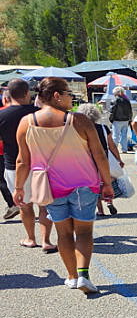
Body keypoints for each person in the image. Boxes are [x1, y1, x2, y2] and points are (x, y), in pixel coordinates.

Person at [13, 77, 114, 293]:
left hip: (51, 188)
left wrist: (19, 188)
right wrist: (107, 183)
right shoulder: (79, 121)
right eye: (68, 93)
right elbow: (99, 155)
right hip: (85, 186)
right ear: (57, 96)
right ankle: (84, 275)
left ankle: (71, 276)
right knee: (85, 232)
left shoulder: (27, 123)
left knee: (63, 233)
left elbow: (22, 161)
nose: (71, 98)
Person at [0, 78, 55, 250]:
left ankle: (31, 238)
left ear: (8, 95)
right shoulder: (39, 113)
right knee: (44, 204)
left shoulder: (2, 115)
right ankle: (46, 241)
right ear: (27, 93)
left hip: (13, 165)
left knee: (24, 204)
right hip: (41, 164)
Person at [77, 103, 123, 216]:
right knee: (106, 182)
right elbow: (112, 145)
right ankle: (109, 202)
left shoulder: (80, 130)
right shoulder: (103, 128)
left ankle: (100, 210)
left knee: (94, 185)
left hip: (88, 161)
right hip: (104, 159)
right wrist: (118, 159)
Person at [0, 88, 20, 220]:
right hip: (20, 151)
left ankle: (13, 204)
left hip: (3, 151)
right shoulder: (25, 112)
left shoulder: (2, 113)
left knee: (2, 179)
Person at [109, 86, 133, 153]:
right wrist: (129, 120)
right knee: (124, 136)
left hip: (117, 120)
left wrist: (111, 119)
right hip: (126, 120)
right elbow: (130, 111)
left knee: (115, 136)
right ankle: (124, 149)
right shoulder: (127, 100)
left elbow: (112, 111)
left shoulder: (115, 100)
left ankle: (114, 149)